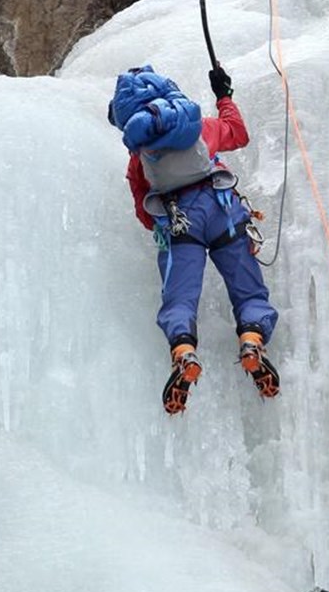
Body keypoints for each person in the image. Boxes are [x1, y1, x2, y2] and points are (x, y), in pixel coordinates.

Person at [109, 61, 279, 414]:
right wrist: (224, 96)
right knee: (248, 291)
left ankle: (184, 352)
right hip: (223, 209)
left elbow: (144, 212)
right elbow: (238, 132)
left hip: (178, 220)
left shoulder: (140, 159)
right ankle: (251, 340)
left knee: (180, 299)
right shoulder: (198, 128)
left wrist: (166, 227)